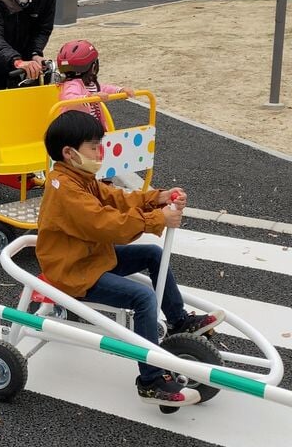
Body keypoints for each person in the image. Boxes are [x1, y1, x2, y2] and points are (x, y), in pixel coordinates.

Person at [37, 110, 225, 407]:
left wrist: (158, 198)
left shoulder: (81, 177)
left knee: (152, 254)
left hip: (92, 257)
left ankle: (179, 323)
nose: (100, 152)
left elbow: (117, 198)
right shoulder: (65, 190)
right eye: (93, 147)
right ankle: (150, 381)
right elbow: (107, 223)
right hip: (73, 271)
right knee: (142, 297)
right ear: (69, 153)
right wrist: (156, 219)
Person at [56, 40, 134, 130]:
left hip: (90, 130)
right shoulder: (72, 84)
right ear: (93, 66)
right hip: (76, 131)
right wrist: (89, 98)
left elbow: (103, 88)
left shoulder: (89, 83)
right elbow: (69, 98)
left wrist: (119, 90)